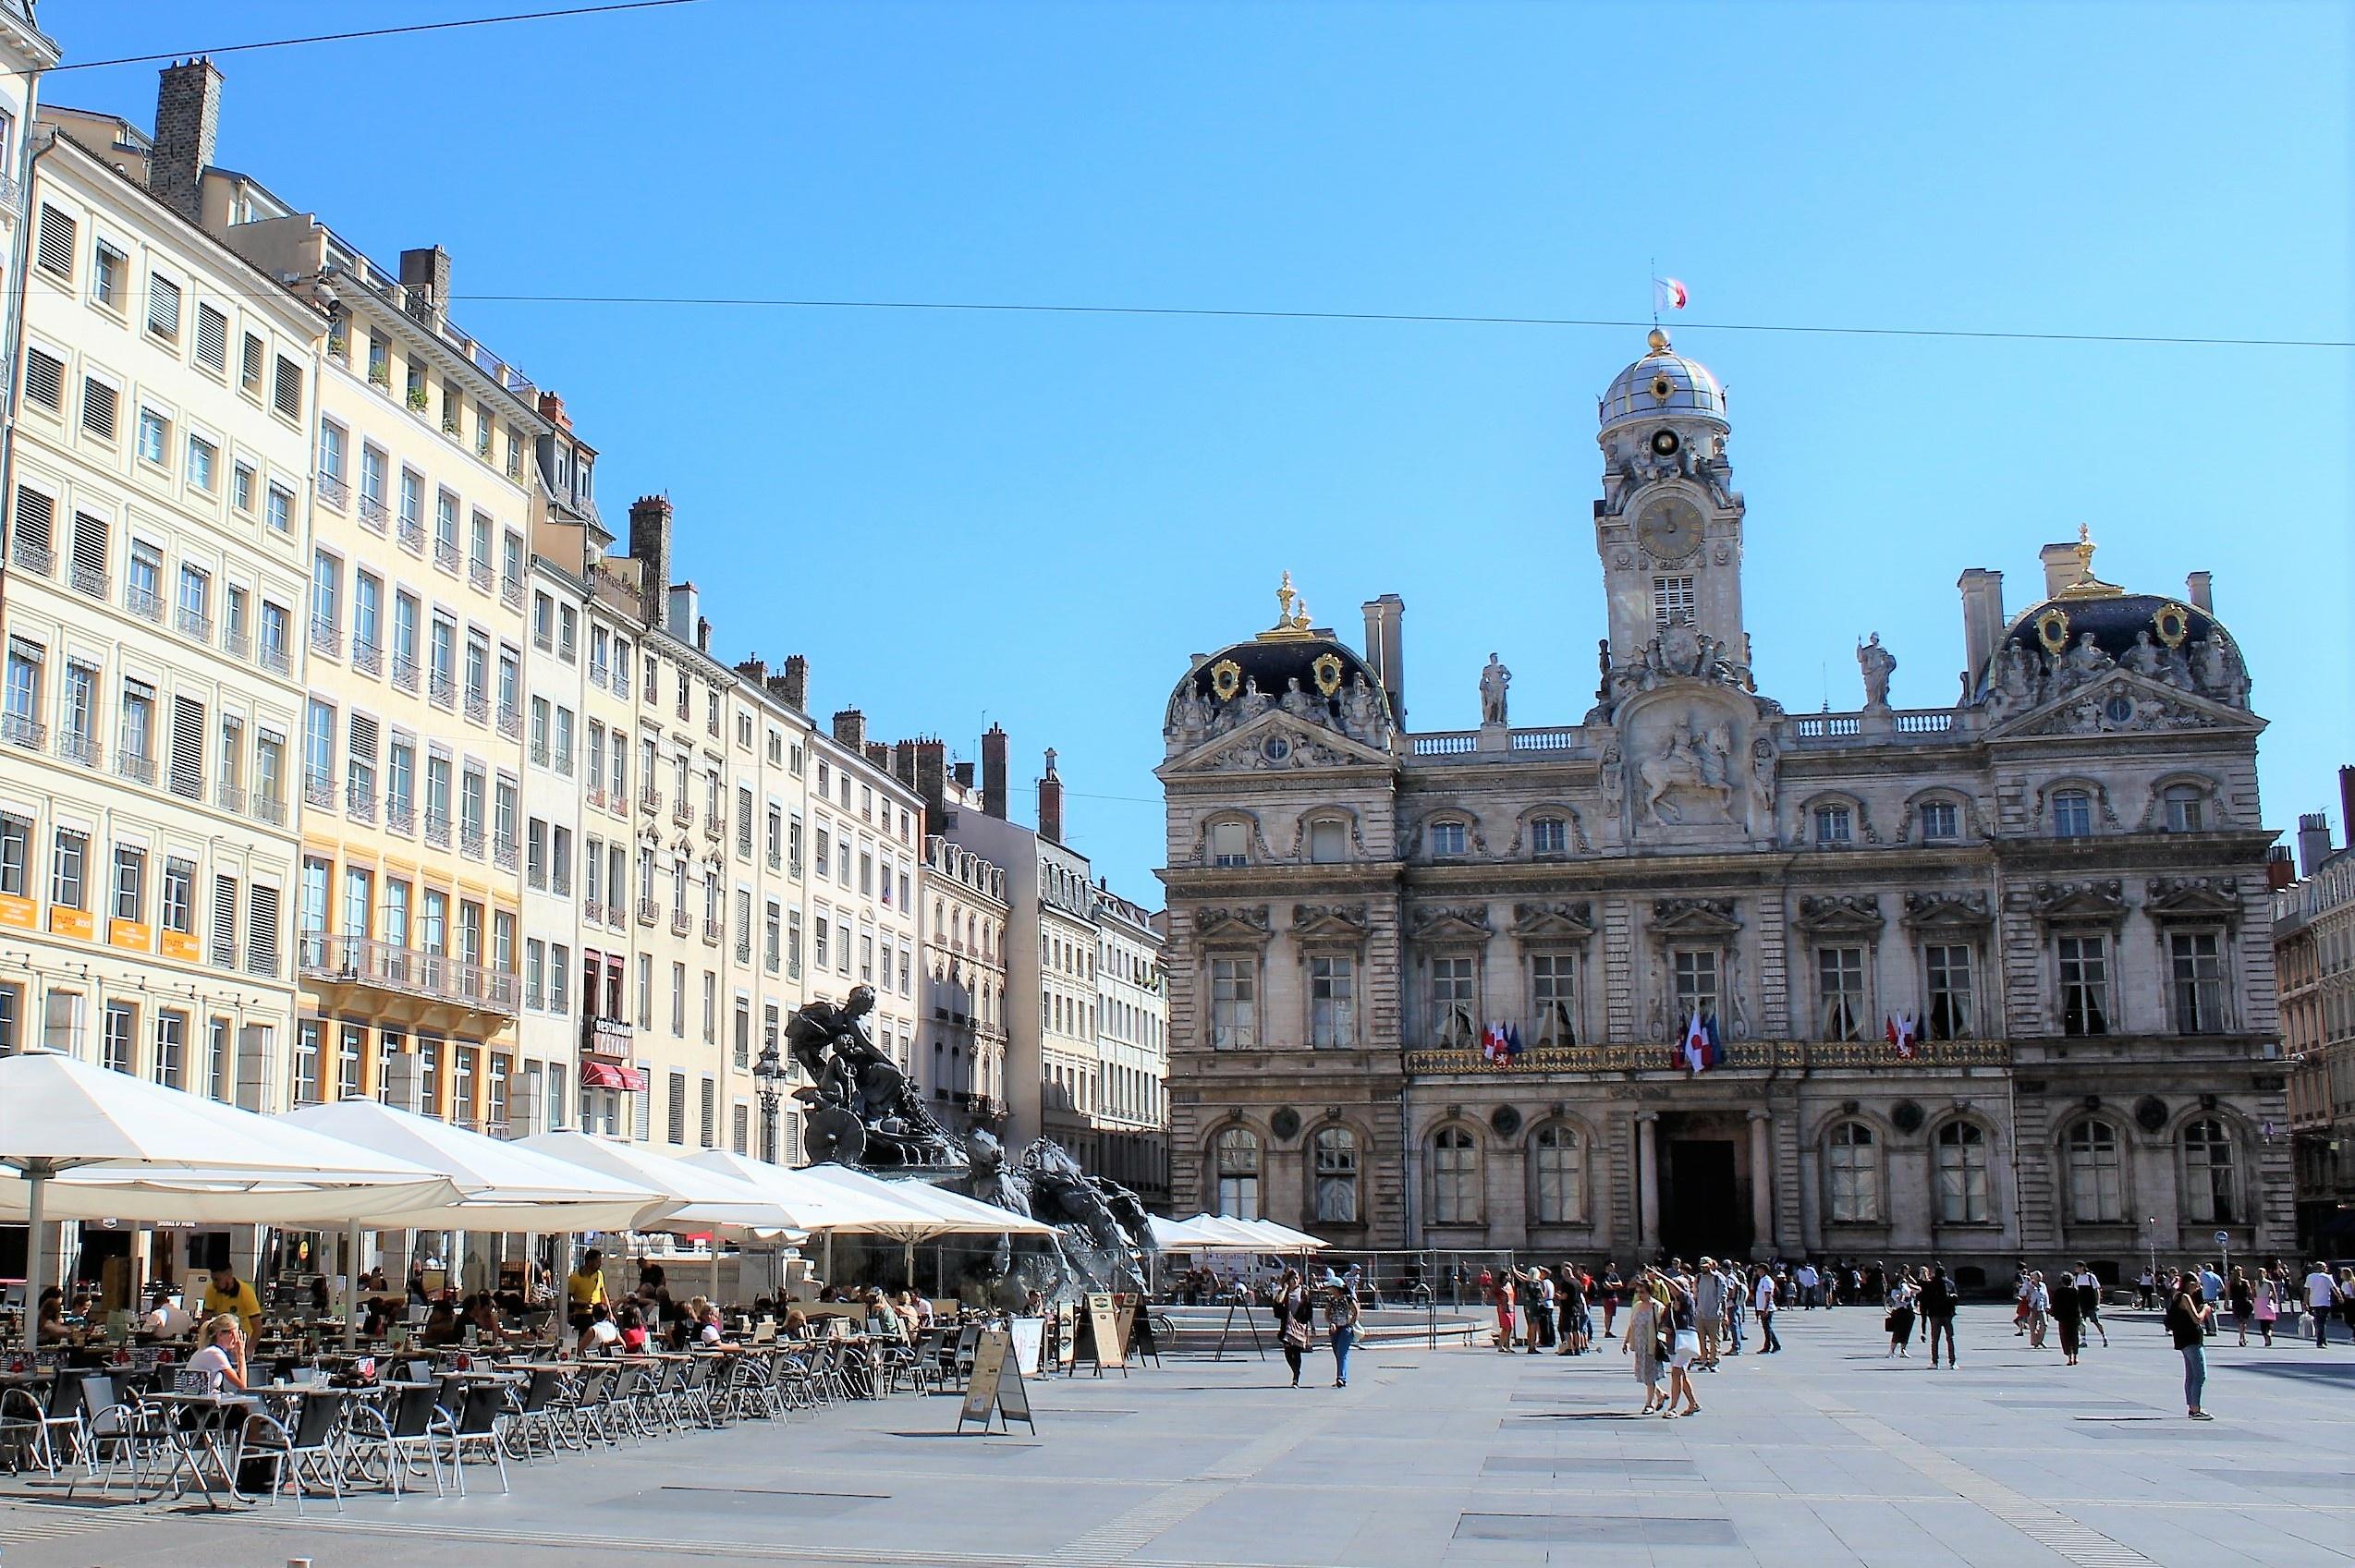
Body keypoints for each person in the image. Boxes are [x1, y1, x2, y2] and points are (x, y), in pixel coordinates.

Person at [2166, 1274, 2213, 1419]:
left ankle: (2192, 1406)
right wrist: (2205, 1309)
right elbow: (2197, 1319)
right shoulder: (2185, 1297)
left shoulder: (2177, 1296)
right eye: (2197, 1285)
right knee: (2200, 1375)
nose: (2199, 1288)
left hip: (2183, 1339)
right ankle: (2195, 1409)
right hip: (2191, 1339)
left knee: (2191, 1375)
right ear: (2190, 1284)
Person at [1661, 1275, 1702, 1417]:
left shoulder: (1688, 1300)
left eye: (1680, 1285)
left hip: (1685, 1341)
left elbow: (1679, 1291)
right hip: (1673, 1342)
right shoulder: (1670, 1306)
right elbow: (1664, 1323)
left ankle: (1672, 1408)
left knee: (1676, 1373)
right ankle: (1693, 1403)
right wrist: (1665, 1328)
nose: (1675, 1288)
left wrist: (1660, 1276)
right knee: (1681, 1375)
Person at [1623, 1276, 1664, 1414]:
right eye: (1638, 1292)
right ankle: (1660, 1394)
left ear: (1649, 1292)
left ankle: (1649, 1404)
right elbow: (1632, 1324)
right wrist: (1626, 1341)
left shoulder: (1656, 1307)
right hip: (1640, 1346)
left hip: (1651, 1346)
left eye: (1642, 1292)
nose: (1639, 1295)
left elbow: (1663, 1325)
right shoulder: (1637, 1306)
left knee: (1649, 1374)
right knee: (1645, 1374)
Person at [186, 1315, 250, 1393]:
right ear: (220, 1334)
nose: (236, 1339)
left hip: (195, 1399)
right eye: (233, 1334)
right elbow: (242, 1385)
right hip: (198, 1402)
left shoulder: (208, 1350)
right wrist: (241, 1353)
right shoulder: (215, 1353)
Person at [202, 1264, 263, 1341]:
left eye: (217, 1280)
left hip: (242, 1338)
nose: (214, 1284)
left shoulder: (246, 1292)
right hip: (220, 1339)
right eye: (213, 1279)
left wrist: (249, 1349)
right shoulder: (211, 1290)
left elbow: (257, 1328)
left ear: (228, 1276)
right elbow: (205, 1322)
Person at [1275, 1269, 1312, 1388]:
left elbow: (1309, 1309)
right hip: (1287, 1325)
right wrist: (1285, 1289)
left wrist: (1312, 1325)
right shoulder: (1284, 1292)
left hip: (1299, 1325)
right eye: (1293, 1279)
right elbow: (1278, 1302)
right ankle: (1295, 1370)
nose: (1295, 1281)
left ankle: (1296, 1376)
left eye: (1297, 1278)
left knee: (1296, 1351)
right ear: (1288, 1280)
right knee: (1287, 1352)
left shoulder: (1303, 1292)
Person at [1918, 1262, 1958, 1367]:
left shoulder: (1930, 1284)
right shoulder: (1950, 1284)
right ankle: (1952, 1362)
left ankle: (1935, 1362)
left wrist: (1924, 1315)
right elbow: (1956, 1300)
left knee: (1935, 1339)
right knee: (1950, 1338)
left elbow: (1925, 1300)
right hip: (1947, 1314)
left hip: (1934, 1314)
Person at [1325, 1281, 1361, 1387]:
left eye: (1331, 1287)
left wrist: (1351, 1323)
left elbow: (1356, 1311)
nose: (1329, 1290)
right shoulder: (1331, 1300)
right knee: (1337, 1353)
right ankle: (1341, 1377)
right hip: (1335, 1329)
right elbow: (1327, 1314)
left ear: (1336, 1288)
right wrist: (1331, 1323)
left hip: (1345, 1329)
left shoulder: (1347, 1299)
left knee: (1342, 1353)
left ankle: (1341, 1378)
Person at [1693, 1258, 1725, 1370]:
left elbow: (1723, 1297)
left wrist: (1724, 1314)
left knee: (1714, 1339)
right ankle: (1704, 1360)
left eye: (1706, 1267)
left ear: (1711, 1266)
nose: (1704, 1269)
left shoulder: (1718, 1278)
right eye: (1702, 1267)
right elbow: (1695, 1295)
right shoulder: (1698, 1278)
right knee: (1701, 1339)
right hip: (1700, 1313)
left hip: (1713, 1314)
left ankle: (1714, 1361)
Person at [567, 1249, 608, 1331]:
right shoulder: (575, 1278)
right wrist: (578, 1303)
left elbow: (603, 1293)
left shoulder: (599, 1274)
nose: (600, 1264)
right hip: (582, 1316)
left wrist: (609, 1312)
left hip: (598, 1315)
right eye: (598, 1262)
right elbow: (566, 1300)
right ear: (589, 1262)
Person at [2051, 1270, 2083, 1367]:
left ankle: (2069, 1357)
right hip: (2074, 1317)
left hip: (2063, 1317)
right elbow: (2079, 1304)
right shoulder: (2075, 1291)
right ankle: (2075, 1357)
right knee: (2074, 1336)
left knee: (2065, 1337)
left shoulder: (2058, 1292)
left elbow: (2055, 1304)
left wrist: (2054, 1314)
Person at [2305, 1260, 2340, 1347]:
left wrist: (2305, 1302)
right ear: (2322, 1268)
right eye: (2325, 1267)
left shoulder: (2310, 1277)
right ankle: (2320, 1341)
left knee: (2319, 1321)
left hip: (2314, 1302)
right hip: (2325, 1302)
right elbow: (2335, 1288)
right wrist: (2340, 1297)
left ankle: (2322, 1340)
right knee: (2322, 1322)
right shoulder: (2327, 1277)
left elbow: (2307, 1290)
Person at [2074, 1264, 2108, 1348]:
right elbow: (2076, 1291)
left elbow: (2097, 1290)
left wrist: (2097, 1303)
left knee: (2095, 1321)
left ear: (2082, 1267)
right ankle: (2084, 1340)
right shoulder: (2077, 1278)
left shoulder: (2090, 1277)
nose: (2076, 1269)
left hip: (2091, 1303)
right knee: (2082, 1323)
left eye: (2077, 1267)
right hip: (2082, 1303)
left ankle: (2104, 1337)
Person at [1885, 1271, 1916, 1356]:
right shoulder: (1895, 1291)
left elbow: (1918, 1289)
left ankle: (1903, 1349)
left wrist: (1911, 1291)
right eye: (1902, 1282)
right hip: (1900, 1311)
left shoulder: (1908, 1289)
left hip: (1909, 1311)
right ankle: (1891, 1350)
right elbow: (1899, 1300)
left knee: (1907, 1331)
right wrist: (1905, 1295)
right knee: (1897, 1331)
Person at [1752, 1266, 1781, 1354]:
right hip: (1761, 1307)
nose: (1757, 1272)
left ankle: (1768, 1346)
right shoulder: (1762, 1280)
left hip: (1766, 1308)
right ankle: (1776, 1345)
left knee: (1767, 1328)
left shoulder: (1767, 1280)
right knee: (1767, 1328)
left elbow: (1768, 1295)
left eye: (1759, 1270)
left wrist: (1766, 1308)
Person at [2227, 1268, 2255, 1346]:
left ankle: (2242, 1337)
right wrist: (2254, 1301)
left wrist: (2226, 1303)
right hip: (2245, 1302)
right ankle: (2242, 1337)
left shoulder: (2230, 1283)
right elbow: (2250, 1293)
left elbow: (2227, 1294)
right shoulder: (2245, 1282)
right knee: (2244, 1321)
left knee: (2240, 1321)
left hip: (2236, 1303)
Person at [2251, 1270, 2278, 1347]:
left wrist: (2254, 1302)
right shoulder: (2269, 1283)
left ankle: (2266, 1338)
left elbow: (2253, 1294)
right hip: (2268, 1302)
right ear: (2265, 1274)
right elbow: (2275, 1296)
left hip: (2259, 1303)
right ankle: (2269, 1333)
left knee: (2262, 1324)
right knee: (2269, 1322)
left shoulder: (2255, 1283)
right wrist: (2273, 1298)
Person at [1600, 1263, 1623, 1339]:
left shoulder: (1615, 1275)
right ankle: (1607, 1331)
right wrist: (1615, 1286)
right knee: (1608, 1314)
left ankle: (1608, 1330)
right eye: (1611, 1266)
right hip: (1606, 1297)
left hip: (1614, 1296)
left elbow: (1620, 1284)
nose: (1613, 1268)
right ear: (1607, 1266)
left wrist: (1612, 1285)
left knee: (1611, 1315)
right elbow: (1606, 1286)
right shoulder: (1603, 1275)